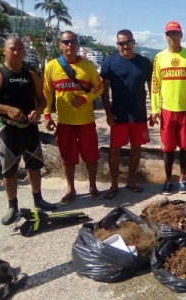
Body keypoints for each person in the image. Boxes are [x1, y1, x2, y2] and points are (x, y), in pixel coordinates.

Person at [0, 37, 57, 225]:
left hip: (29, 127)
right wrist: (7, 109)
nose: (17, 52)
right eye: (12, 49)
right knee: (9, 170)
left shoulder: (30, 75)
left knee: (34, 165)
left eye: (20, 49)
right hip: (7, 129)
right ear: (4, 51)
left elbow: (43, 99)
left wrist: (37, 111)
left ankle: (38, 199)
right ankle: (12, 206)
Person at [43, 30, 104, 206]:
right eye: (66, 42)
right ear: (60, 45)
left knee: (91, 156)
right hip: (64, 122)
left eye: (73, 42)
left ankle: (93, 186)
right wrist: (47, 114)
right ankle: (70, 189)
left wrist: (85, 99)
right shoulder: (51, 66)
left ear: (77, 45)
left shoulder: (88, 65)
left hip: (86, 121)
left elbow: (99, 87)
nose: (70, 45)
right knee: (67, 158)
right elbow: (47, 93)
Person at [100, 29, 152, 199]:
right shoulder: (109, 62)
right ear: (117, 44)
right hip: (118, 115)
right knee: (115, 150)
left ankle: (130, 181)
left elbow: (153, 88)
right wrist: (108, 113)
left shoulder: (144, 62)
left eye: (128, 42)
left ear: (133, 42)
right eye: (122, 43)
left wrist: (154, 111)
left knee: (136, 149)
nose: (125, 45)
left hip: (139, 114)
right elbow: (103, 90)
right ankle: (114, 184)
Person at [151, 21, 186, 195]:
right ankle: (168, 179)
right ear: (165, 36)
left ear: (181, 35)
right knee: (168, 148)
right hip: (167, 110)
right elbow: (155, 85)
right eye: (169, 34)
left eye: (175, 33)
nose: (172, 37)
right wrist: (155, 110)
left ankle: (183, 178)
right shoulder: (159, 57)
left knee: (185, 147)